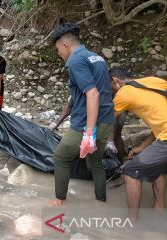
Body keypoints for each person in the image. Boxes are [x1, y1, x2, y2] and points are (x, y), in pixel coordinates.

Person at [48, 22, 115, 206]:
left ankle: (59, 201)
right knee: (95, 164)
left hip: (87, 124)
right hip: (107, 121)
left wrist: (88, 133)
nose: (59, 54)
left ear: (65, 45)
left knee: (60, 158)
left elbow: (92, 93)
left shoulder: (76, 60)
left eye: (58, 49)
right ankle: (101, 201)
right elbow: (96, 90)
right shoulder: (97, 58)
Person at [109, 67, 167, 221]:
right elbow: (160, 126)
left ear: (115, 80)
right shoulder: (152, 81)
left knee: (130, 172)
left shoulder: (123, 94)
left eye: (110, 87)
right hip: (164, 135)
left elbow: (109, 122)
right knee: (156, 166)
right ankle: (159, 208)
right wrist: (141, 148)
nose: (112, 92)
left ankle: (132, 220)